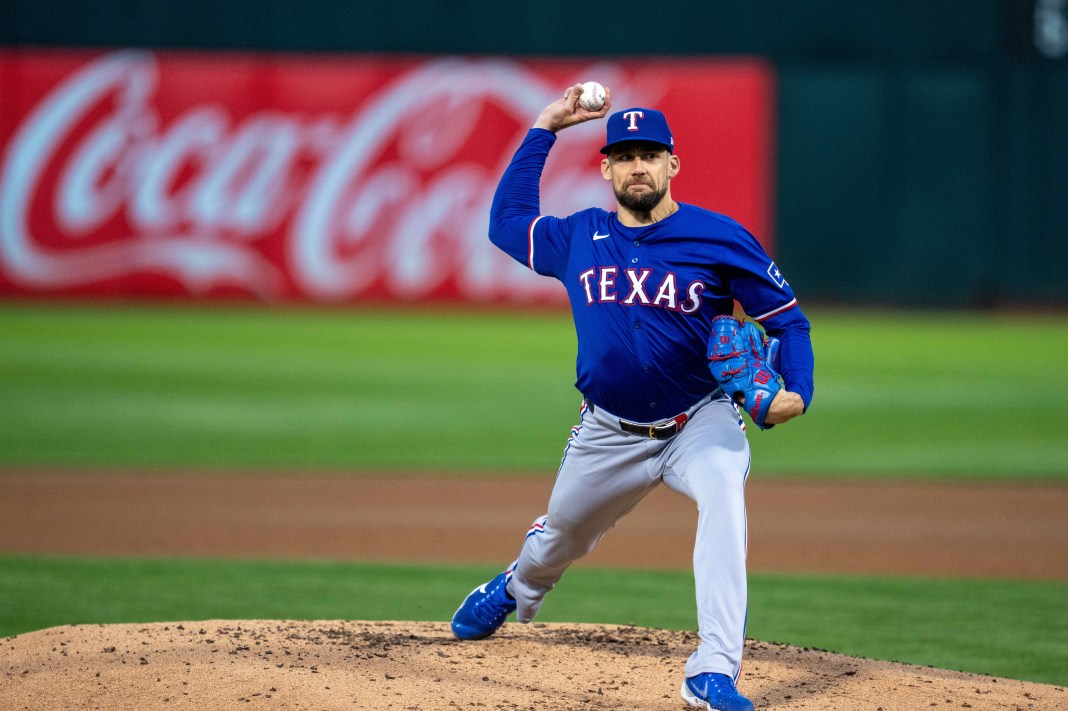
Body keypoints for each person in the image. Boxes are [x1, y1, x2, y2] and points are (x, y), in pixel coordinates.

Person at [450, 84, 814, 711]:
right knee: (559, 538)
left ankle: (712, 671)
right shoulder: (578, 237)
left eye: (649, 154)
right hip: (608, 431)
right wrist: (544, 127)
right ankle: (517, 585)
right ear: (606, 168)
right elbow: (505, 224)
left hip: (700, 419)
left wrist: (797, 394)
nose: (637, 166)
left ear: (673, 163)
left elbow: (788, 321)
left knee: (724, 498)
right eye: (624, 155)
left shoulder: (719, 238)